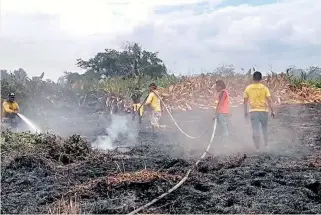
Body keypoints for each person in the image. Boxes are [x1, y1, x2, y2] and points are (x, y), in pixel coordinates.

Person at [243, 71, 275, 152]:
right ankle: (266, 146)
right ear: (261, 78)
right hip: (264, 111)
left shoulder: (248, 88)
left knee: (255, 130)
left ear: (253, 78)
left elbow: (245, 102)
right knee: (264, 129)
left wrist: (245, 112)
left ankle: (257, 148)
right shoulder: (264, 88)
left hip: (253, 112)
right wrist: (272, 111)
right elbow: (269, 100)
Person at [213, 80, 230, 145]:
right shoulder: (222, 92)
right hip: (220, 113)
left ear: (220, 86)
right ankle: (223, 143)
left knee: (224, 129)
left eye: (217, 86)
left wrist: (216, 113)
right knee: (222, 128)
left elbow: (221, 103)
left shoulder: (223, 92)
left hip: (221, 113)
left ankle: (225, 145)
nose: (216, 88)